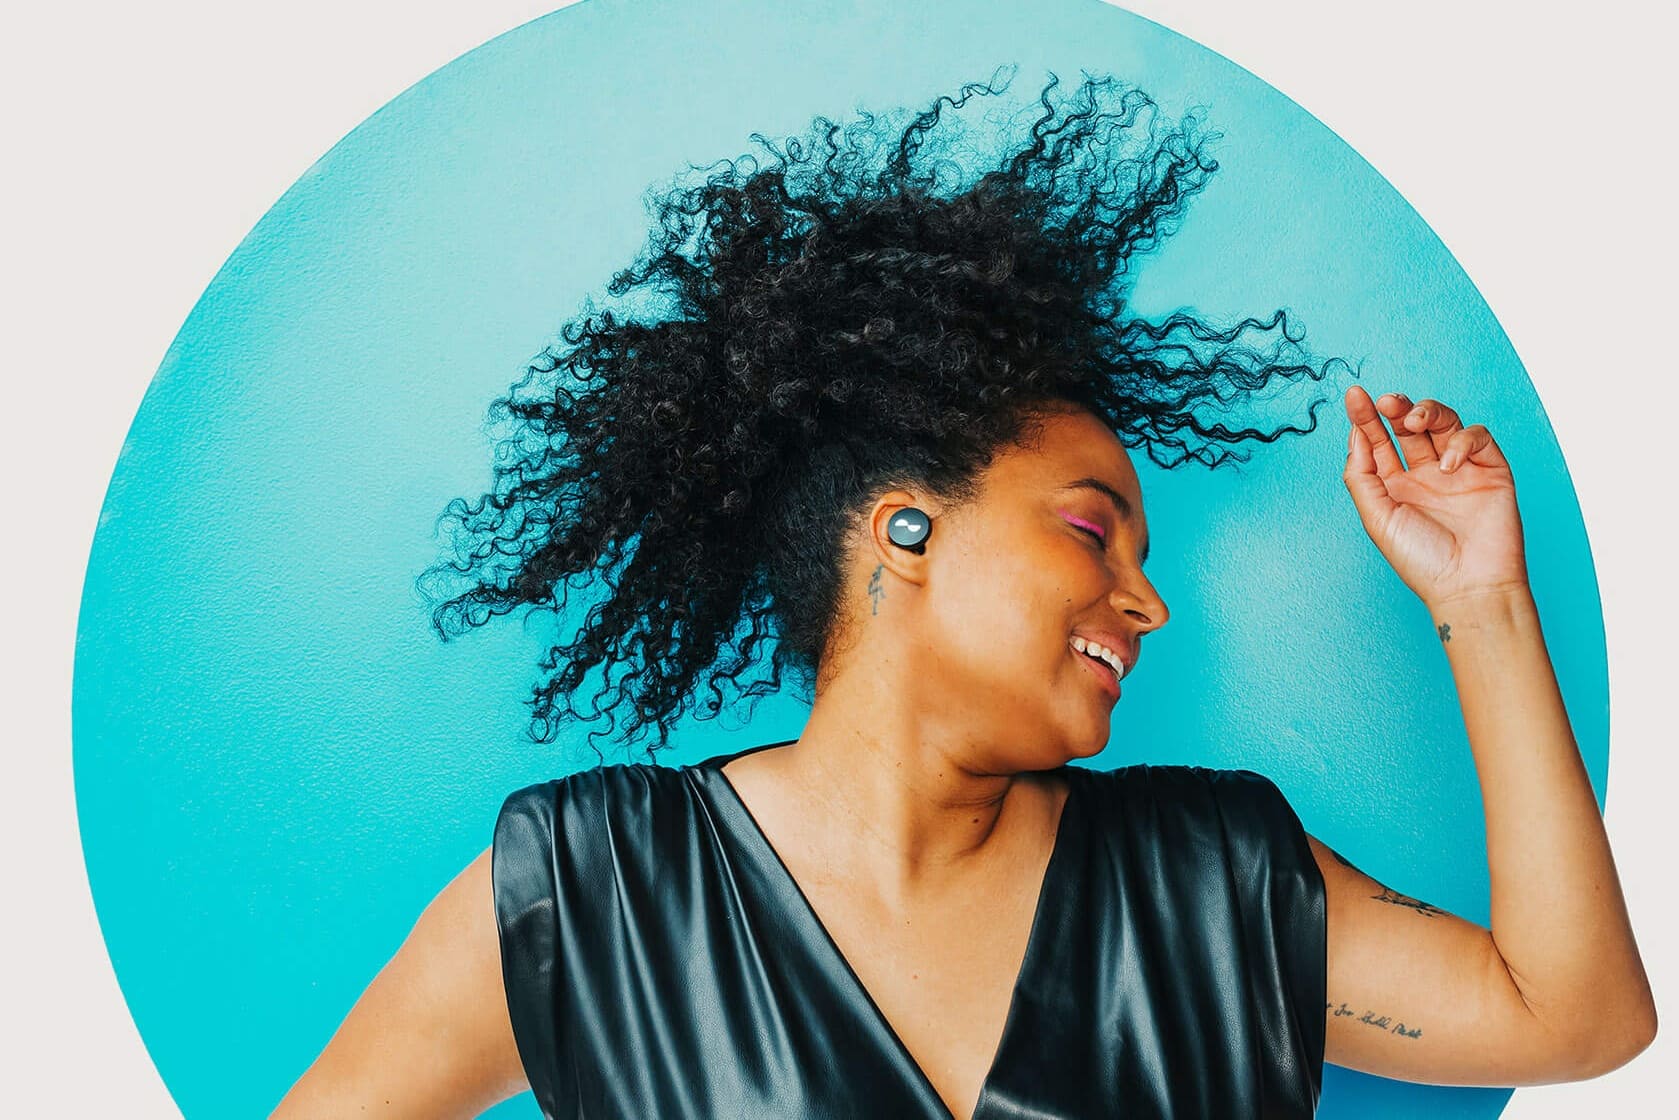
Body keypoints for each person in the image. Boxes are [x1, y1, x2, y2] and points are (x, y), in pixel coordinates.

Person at [272, 70, 1656, 1119]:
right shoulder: (588, 894)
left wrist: (1485, 599)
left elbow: (1578, 1019)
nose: (1146, 603)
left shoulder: (1215, 877)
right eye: (1094, 531)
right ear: (905, 529)